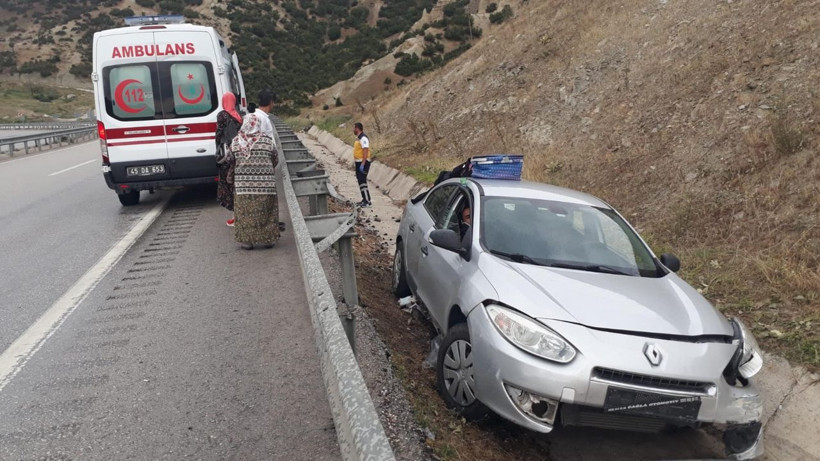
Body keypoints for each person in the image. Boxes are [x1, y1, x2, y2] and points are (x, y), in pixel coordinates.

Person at [230, 113, 279, 250]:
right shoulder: (267, 141)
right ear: (257, 124)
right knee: (267, 212)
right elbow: (275, 159)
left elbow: (230, 161)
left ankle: (247, 242)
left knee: (244, 213)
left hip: (243, 186)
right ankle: (268, 240)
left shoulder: (235, 142)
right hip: (266, 185)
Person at [215, 92, 243, 227]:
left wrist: (217, 151)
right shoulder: (238, 116)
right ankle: (240, 214)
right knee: (237, 184)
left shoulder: (222, 115)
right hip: (238, 154)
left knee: (228, 184)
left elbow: (219, 135)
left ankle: (236, 216)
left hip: (227, 156)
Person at [352, 122, 372, 207]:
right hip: (358, 162)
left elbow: (365, 150)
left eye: (354, 128)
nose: (353, 130)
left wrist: (363, 164)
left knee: (362, 181)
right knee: (360, 181)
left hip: (363, 162)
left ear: (357, 128)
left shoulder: (363, 138)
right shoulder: (359, 138)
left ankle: (367, 201)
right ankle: (365, 199)